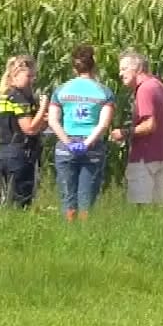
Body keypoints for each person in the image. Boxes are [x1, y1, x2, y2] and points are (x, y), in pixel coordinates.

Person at [48, 43, 116, 220]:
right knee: (87, 198)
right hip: (91, 147)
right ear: (94, 65)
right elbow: (103, 123)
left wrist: (69, 142)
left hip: (66, 146)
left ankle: (70, 232)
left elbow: (53, 121)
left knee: (67, 198)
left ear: (74, 68)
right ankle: (84, 233)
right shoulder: (104, 92)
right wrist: (86, 143)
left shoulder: (61, 90)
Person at [110, 49, 163, 205]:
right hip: (161, 155)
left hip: (144, 157)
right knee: (158, 205)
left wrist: (124, 133)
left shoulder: (144, 89)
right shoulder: (159, 86)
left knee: (140, 206)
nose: (120, 74)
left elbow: (149, 125)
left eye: (124, 69)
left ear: (138, 68)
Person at [0, 54, 50, 208]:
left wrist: (42, 119)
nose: (32, 80)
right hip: (20, 154)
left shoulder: (2, 96)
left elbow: (33, 126)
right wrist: (43, 107)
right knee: (21, 202)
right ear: (15, 74)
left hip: (3, 151)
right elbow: (29, 128)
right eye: (28, 75)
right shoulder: (18, 98)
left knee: (6, 199)